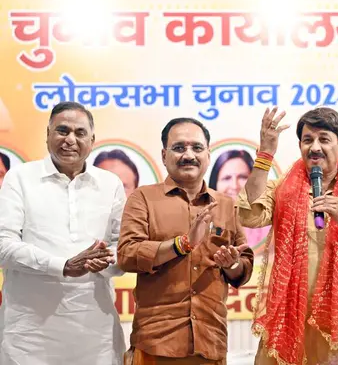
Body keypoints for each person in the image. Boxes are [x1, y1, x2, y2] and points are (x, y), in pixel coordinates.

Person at [237, 107, 338, 365]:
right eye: (307, 140)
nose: (315, 147)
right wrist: (265, 153)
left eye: (324, 139)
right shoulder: (283, 189)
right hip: (288, 322)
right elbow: (250, 216)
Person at [117, 117, 254, 365]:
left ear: (208, 154)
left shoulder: (226, 204)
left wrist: (231, 264)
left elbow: (242, 268)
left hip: (210, 342)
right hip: (156, 342)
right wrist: (183, 244)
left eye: (197, 148)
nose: (188, 155)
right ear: (164, 154)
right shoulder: (143, 198)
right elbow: (127, 255)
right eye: (179, 148)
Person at [0, 102, 126, 364]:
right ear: (47, 135)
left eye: (80, 133)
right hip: (29, 334)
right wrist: (63, 266)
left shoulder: (110, 184)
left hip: (94, 330)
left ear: (92, 140)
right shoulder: (20, 178)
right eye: (62, 130)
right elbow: (3, 246)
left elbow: (122, 247)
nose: (70, 140)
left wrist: (107, 260)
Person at [208, 149, 271, 248]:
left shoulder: (269, 226)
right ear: (214, 184)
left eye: (242, 177)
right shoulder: (202, 222)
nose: (234, 186)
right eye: (227, 178)